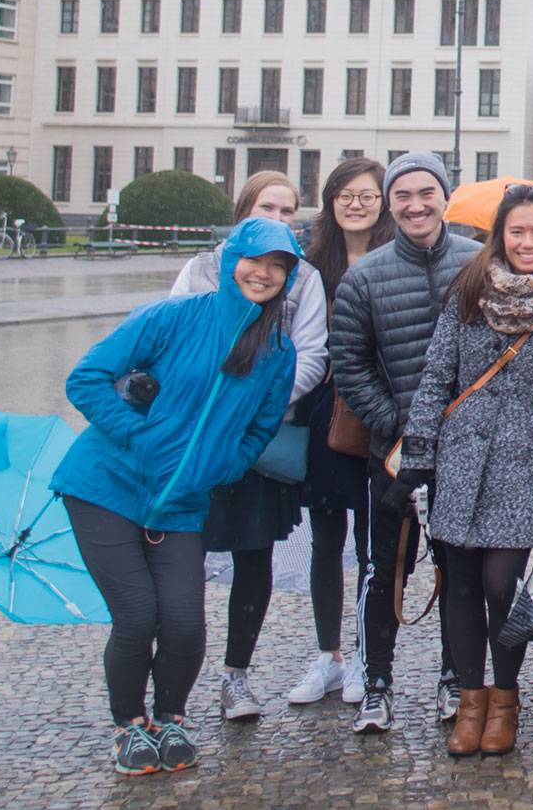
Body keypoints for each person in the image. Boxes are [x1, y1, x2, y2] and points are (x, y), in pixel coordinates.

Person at [53, 218, 300, 775]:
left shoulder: (277, 351)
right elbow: (86, 378)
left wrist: (221, 465)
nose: (264, 274)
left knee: (186, 623)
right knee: (138, 616)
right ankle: (129, 725)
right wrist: (139, 435)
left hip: (185, 503)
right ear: (232, 258)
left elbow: (261, 430)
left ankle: (170, 719)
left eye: (278, 266)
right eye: (255, 260)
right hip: (107, 488)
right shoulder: (172, 316)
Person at [397, 183, 533, 756]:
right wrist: (419, 455)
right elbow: (437, 376)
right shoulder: (469, 290)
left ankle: (505, 699)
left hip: (523, 458)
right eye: (518, 231)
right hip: (461, 453)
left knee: (501, 585)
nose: (528, 242)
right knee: (458, 583)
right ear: (499, 235)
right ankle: (469, 699)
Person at [169, 171, 328, 723]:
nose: (279, 220)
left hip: (259, 440)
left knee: (252, 557)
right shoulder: (201, 270)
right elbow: (175, 343)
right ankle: (172, 681)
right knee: (181, 560)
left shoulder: (304, 279)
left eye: (289, 211)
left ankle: (236, 674)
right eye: (267, 209)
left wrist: (258, 409)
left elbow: (311, 355)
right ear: (243, 211)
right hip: (197, 438)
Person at [330, 152, 480, 734]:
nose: (415, 205)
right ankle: (376, 683)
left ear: (445, 197)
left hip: (464, 450)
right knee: (381, 569)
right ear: (391, 205)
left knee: (457, 570)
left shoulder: (476, 263)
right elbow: (350, 364)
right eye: (403, 196)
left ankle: (456, 676)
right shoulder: (364, 276)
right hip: (391, 453)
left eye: (426, 193)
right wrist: (393, 419)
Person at [286, 157, 394, 708]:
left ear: (383, 202)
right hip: (325, 413)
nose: (356, 204)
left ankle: (362, 655)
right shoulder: (310, 263)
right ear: (331, 201)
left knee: (372, 543)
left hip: (377, 413)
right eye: (345, 195)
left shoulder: (395, 258)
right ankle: (327, 654)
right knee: (326, 540)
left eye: (367, 195)